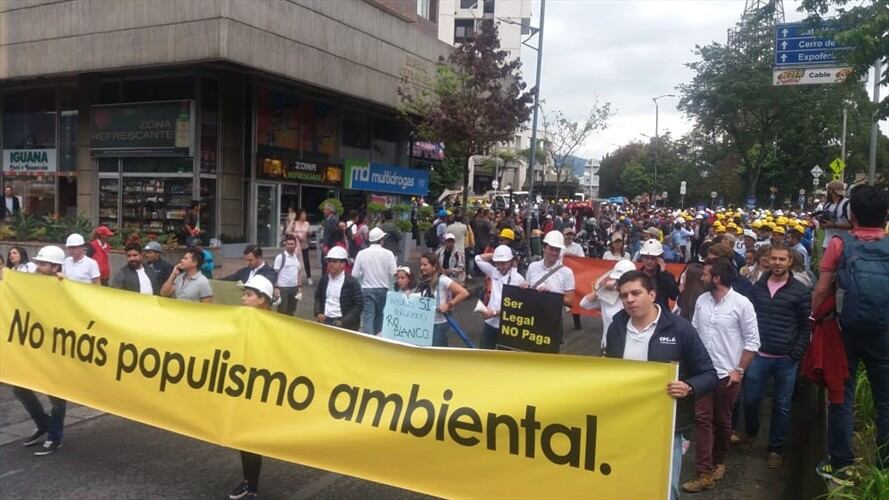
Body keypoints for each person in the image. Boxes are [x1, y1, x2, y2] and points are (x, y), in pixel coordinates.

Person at [605, 271, 718, 500]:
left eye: (636, 293)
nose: (630, 300)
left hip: (667, 426)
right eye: (624, 295)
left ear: (652, 294)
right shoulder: (616, 328)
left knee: (666, 490)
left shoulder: (680, 329)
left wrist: (689, 387)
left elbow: (709, 374)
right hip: (625, 423)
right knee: (627, 483)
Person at [813, 184, 889, 484]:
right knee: (886, 400)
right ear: (885, 216)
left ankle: (841, 463)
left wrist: (812, 317)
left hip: (844, 329)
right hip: (884, 331)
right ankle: (884, 466)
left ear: (852, 215)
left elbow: (822, 288)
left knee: (840, 395)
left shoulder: (840, 245)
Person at [683, 257, 760, 493]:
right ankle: (704, 472)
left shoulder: (742, 304)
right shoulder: (702, 301)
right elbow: (694, 334)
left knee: (722, 421)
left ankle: (719, 461)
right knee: (703, 420)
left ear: (716, 278)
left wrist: (739, 371)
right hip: (702, 374)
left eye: (706, 274)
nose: (702, 277)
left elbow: (753, 342)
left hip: (728, 375)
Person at [742, 244, 811, 469]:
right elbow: (748, 320)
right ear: (768, 260)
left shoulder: (800, 291)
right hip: (758, 356)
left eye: (782, 259)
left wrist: (795, 354)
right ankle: (751, 433)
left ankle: (775, 448)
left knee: (781, 405)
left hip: (785, 358)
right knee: (750, 399)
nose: (778, 263)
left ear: (790, 262)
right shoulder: (757, 287)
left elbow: (805, 327)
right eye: (774, 259)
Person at [13, 245, 69, 456]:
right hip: (33, 347)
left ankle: (55, 437)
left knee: (56, 396)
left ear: (56, 267)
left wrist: (65, 285)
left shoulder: (64, 287)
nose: (38, 267)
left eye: (43, 264)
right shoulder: (31, 283)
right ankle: (44, 424)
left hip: (56, 350)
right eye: (37, 262)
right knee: (20, 389)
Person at [228, 275, 276, 500]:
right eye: (244, 294)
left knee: (251, 437)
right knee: (245, 437)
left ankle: (251, 485)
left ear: (261, 299)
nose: (243, 299)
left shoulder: (275, 326)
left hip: (264, 388)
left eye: (248, 295)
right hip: (244, 385)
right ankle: (250, 484)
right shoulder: (242, 320)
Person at [474, 245, 526, 349]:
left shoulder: (518, 279)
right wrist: (496, 255)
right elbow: (478, 259)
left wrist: (493, 313)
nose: (501, 267)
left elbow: (516, 307)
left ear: (511, 261)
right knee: (483, 354)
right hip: (490, 323)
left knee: (503, 357)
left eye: (504, 263)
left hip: (507, 325)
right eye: (498, 263)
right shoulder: (494, 272)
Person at [524, 231, 576, 336]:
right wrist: (523, 289)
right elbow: (527, 292)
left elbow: (570, 301)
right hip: (532, 316)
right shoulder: (533, 267)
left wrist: (550, 295)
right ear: (544, 247)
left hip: (553, 319)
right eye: (551, 249)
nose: (554, 253)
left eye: (557, 250)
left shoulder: (567, 272)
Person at [580, 259, 636, 353]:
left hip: (632, 346)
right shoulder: (607, 296)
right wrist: (601, 290)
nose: (621, 283)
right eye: (618, 280)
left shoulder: (638, 298)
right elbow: (584, 304)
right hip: (608, 345)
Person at [417, 252, 470, 347]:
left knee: (436, 355)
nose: (421, 268)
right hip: (424, 324)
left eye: (425, 265)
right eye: (421, 265)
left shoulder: (442, 279)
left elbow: (464, 293)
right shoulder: (423, 281)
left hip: (438, 325)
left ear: (434, 266)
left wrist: (448, 305)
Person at [352, 227, 397, 335]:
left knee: (368, 317)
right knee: (380, 316)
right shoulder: (388, 253)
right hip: (383, 289)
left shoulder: (362, 253)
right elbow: (394, 273)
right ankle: (378, 337)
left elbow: (354, 274)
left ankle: (368, 341)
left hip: (367, 289)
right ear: (381, 240)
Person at [314, 246, 363, 331]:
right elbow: (318, 297)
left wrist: (343, 322)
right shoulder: (324, 279)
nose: (331, 264)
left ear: (343, 264)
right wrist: (318, 313)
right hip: (325, 320)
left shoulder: (351, 282)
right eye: (329, 261)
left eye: (335, 261)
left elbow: (358, 305)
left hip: (343, 324)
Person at [638, 238, 679, 312]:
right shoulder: (637, 276)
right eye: (646, 258)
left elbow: (674, 295)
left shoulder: (666, 276)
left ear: (659, 259)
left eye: (653, 258)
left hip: (661, 316)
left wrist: (664, 273)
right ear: (642, 258)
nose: (649, 261)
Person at [271, 234, 302, 317]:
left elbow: (299, 272)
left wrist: (299, 287)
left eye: (292, 244)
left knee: (291, 312)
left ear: (295, 245)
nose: (290, 246)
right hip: (283, 288)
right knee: (282, 312)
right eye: (288, 244)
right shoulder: (280, 257)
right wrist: (276, 288)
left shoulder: (296, 257)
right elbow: (274, 273)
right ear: (285, 245)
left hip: (294, 288)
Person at [820, 179, 851, 251]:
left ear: (831, 191)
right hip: (827, 244)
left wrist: (834, 225)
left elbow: (853, 225)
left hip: (843, 244)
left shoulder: (847, 204)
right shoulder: (827, 205)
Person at [290, 209, 313, 285]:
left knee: (306, 261)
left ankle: (309, 277)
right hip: (296, 246)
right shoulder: (294, 223)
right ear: (299, 215)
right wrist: (295, 235)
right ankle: (295, 278)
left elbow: (309, 233)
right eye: (303, 214)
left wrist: (309, 233)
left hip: (304, 245)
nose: (304, 216)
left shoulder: (307, 223)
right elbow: (288, 231)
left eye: (305, 214)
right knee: (295, 262)